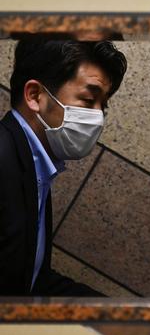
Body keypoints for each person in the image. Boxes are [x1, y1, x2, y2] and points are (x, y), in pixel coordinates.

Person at [0, 39, 127, 296]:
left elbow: (30, 280)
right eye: (90, 99)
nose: (99, 117)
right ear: (35, 95)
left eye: (104, 106)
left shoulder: (33, 168)